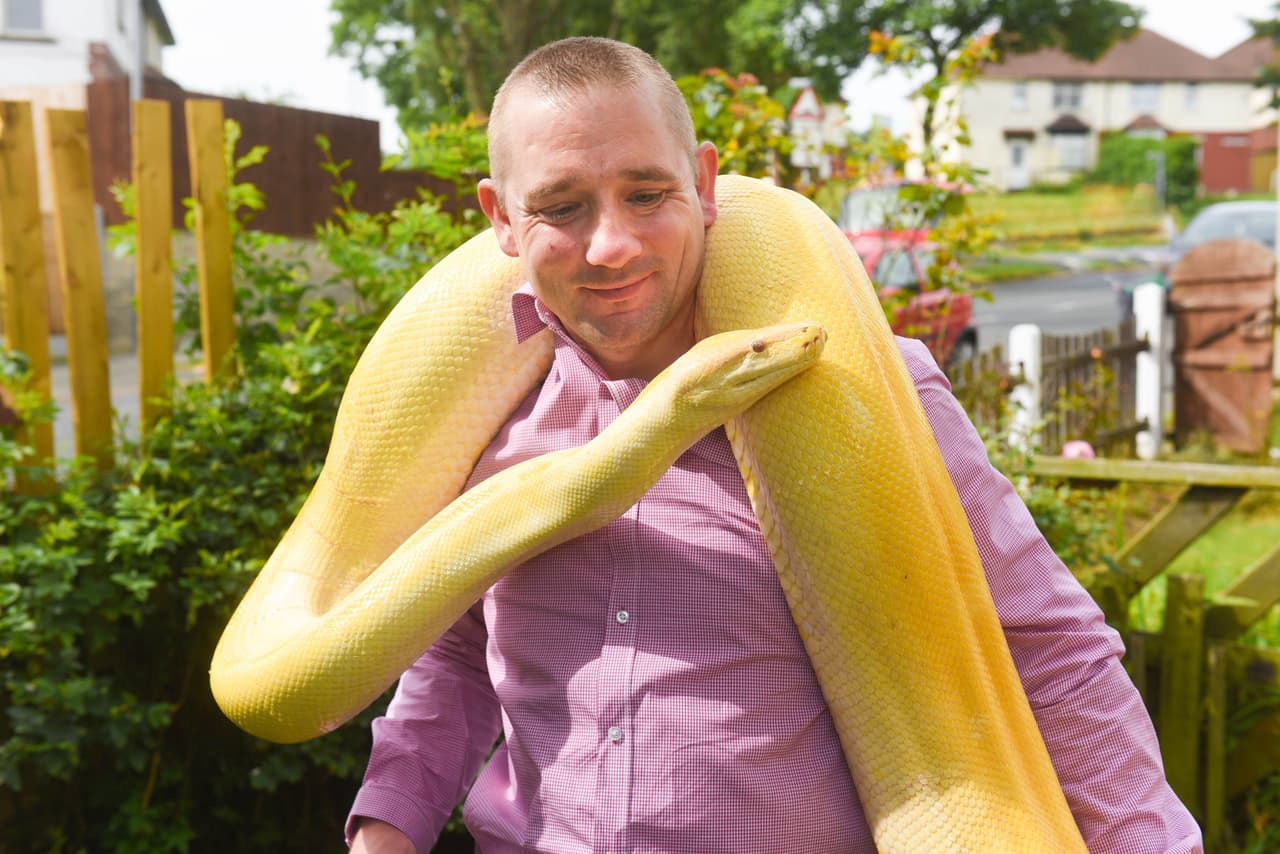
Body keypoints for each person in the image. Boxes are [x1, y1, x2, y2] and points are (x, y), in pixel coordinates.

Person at [348, 37, 1200, 853]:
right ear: (500, 218)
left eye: (647, 194)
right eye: (562, 208)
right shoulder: (485, 419)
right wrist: (386, 829)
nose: (611, 246)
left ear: (707, 183)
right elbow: (457, 653)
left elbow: (1051, 652)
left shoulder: (864, 390)